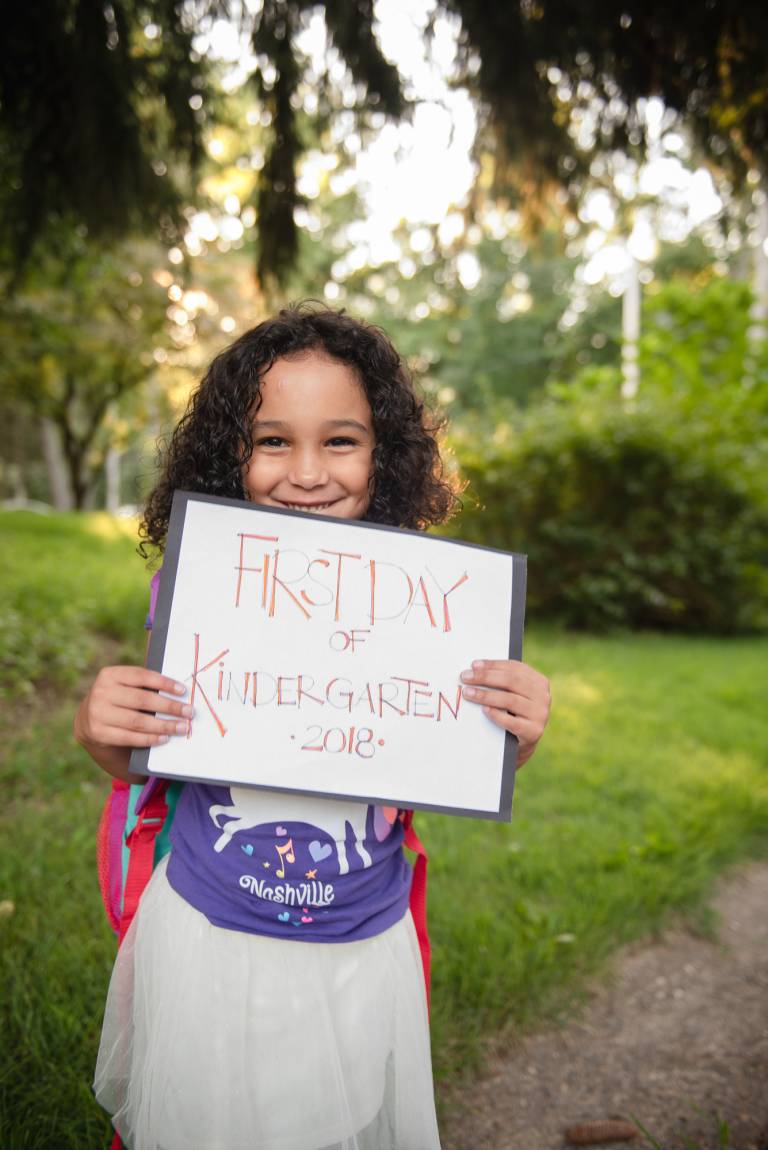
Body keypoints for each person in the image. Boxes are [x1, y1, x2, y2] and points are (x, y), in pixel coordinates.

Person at [75, 302, 551, 1150]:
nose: (306, 473)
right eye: (270, 441)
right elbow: (139, 760)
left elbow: (446, 751)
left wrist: (511, 732)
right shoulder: (194, 595)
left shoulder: (428, 605)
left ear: (385, 453)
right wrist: (104, 730)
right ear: (230, 454)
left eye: (340, 441)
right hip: (215, 935)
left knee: (343, 1117)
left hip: (363, 939)